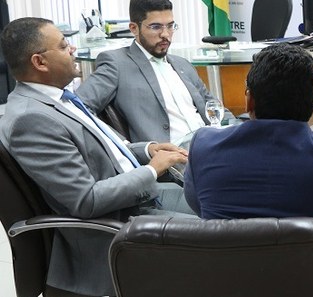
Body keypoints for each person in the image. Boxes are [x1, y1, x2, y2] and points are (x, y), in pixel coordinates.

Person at [0, 17, 194, 297]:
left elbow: (104, 151)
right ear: (39, 62)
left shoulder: (58, 98)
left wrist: (147, 150)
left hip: (137, 199)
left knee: (227, 204)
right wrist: (152, 170)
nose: (73, 49)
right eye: (64, 45)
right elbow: (85, 200)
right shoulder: (31, 119)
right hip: (115, 227)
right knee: (226, 236)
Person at [183, 44, 313, 237]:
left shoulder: (204, 146)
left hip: (229, 275)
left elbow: (198, 204)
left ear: (249, 101)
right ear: (311, 103)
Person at [77, 0, 216, 143]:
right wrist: (123, 146)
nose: (165, 34)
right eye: (156, 27)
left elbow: (214, 108)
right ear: (134, 29)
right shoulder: (116, 63)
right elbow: (79, 107)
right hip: (172, 159)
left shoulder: (183, 64)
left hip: (211, 145)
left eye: (170, 26)